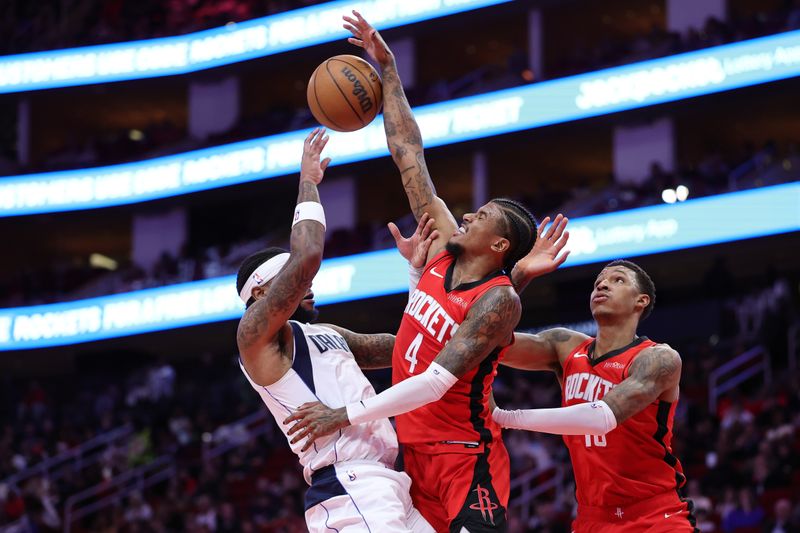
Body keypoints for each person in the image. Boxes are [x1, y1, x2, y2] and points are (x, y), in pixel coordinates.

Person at [284, 12, 565, 532]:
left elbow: (437, 381)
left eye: (481, 217)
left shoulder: (501, 299)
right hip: (412, 457)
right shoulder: (441, 253)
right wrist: (388, 71)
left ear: (499, 244)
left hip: (464, 458)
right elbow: (408, 154)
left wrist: (342, 416)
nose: (468, 215)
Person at [235, 127, 434, 533]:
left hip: (389, 483)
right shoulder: (254, 339)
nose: (306, 284)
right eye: (288, 278)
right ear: (259, 293)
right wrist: (308, 182)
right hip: (348, 485)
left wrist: (417, 273)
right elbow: (307, 255)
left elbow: (409, 352)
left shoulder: (327, 333)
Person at [492, 259, 697, 532]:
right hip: (592, 518)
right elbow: (485, 334)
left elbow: (602, 416)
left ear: (641, 301)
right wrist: (519, 275)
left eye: (618, 280)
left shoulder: (658, 358)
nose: (602, 284)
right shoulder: (564, 346)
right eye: (599, 281)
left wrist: (506, 417)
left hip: (655, 515)